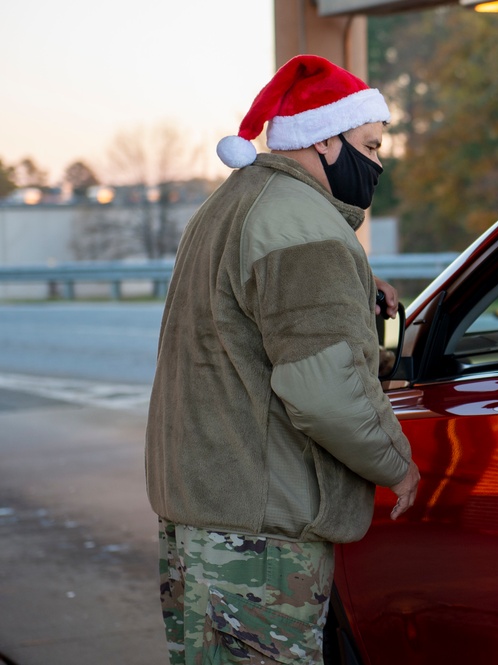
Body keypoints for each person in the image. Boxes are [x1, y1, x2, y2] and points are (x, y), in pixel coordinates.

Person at [145, 54, 420, 665]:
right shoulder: (305, 227)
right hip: (258, 535)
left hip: (201, 514)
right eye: (370, 144)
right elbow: (326, 390)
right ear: (325, 139)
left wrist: (359, 295)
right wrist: (395, 462)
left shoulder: (230, 205)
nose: (378, 161)